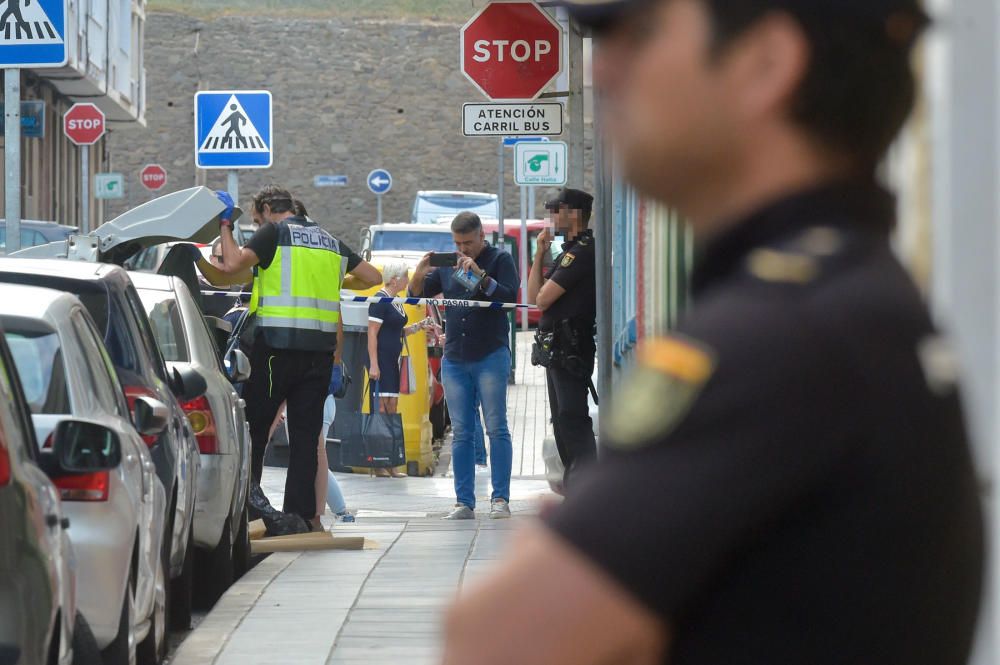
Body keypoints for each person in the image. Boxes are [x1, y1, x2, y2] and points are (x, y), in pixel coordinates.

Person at [443, 1, 984, 664]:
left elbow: (495, 639)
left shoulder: (780, 338)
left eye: (639, 33)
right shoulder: (852, 299)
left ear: (765, 63)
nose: (604, 68)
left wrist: (544, 552)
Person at [212, 185, 381, 523]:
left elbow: (231, 265)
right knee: (306, 439)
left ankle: (252, 509)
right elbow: (372, 278)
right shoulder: (329, 239)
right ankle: (302, 517)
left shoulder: (273, 234)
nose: (260, 225)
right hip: (319, 355)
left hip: (276, 350)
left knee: (257, 432)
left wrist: (226, 224)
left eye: (259, 219)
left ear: (268, 210)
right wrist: (332, 281)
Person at [410, 212, 519, 520]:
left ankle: (500, 499)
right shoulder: (448, 266)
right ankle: (464, 502)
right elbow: (415, 296)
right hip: (455, 356)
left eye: (468, 243)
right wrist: (420, 273)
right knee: (461, 431)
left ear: (481, 237)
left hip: (490, 354)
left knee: (496, 426)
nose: (463, 249)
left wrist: (481, 276)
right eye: (457, 243)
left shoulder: (499, 259)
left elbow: (510, 299)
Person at [528, 187, 597, 488]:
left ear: (573, 213)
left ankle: (587, 486)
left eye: (555, 209)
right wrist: (540, 253)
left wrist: (544, 285)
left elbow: (543, 300)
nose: (550, 216)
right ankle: (576, 485)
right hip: (556, 347)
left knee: (572, 417)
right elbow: (533, 298)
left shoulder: (582, 251)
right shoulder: (566, 252)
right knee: (561, 420)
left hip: (572, 345)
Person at [366, 260, 432, 478]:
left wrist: (418, 327)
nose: (407, 281)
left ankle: (389, 461)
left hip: (392, 359)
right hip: (383, 360)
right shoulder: (380, 299)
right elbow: (373, 333)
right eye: (404, 277)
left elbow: (395, 331)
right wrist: (374, 364)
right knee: (384, 411)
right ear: (395, 279)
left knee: (391, 410)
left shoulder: (396, 301)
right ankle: (380, 462)